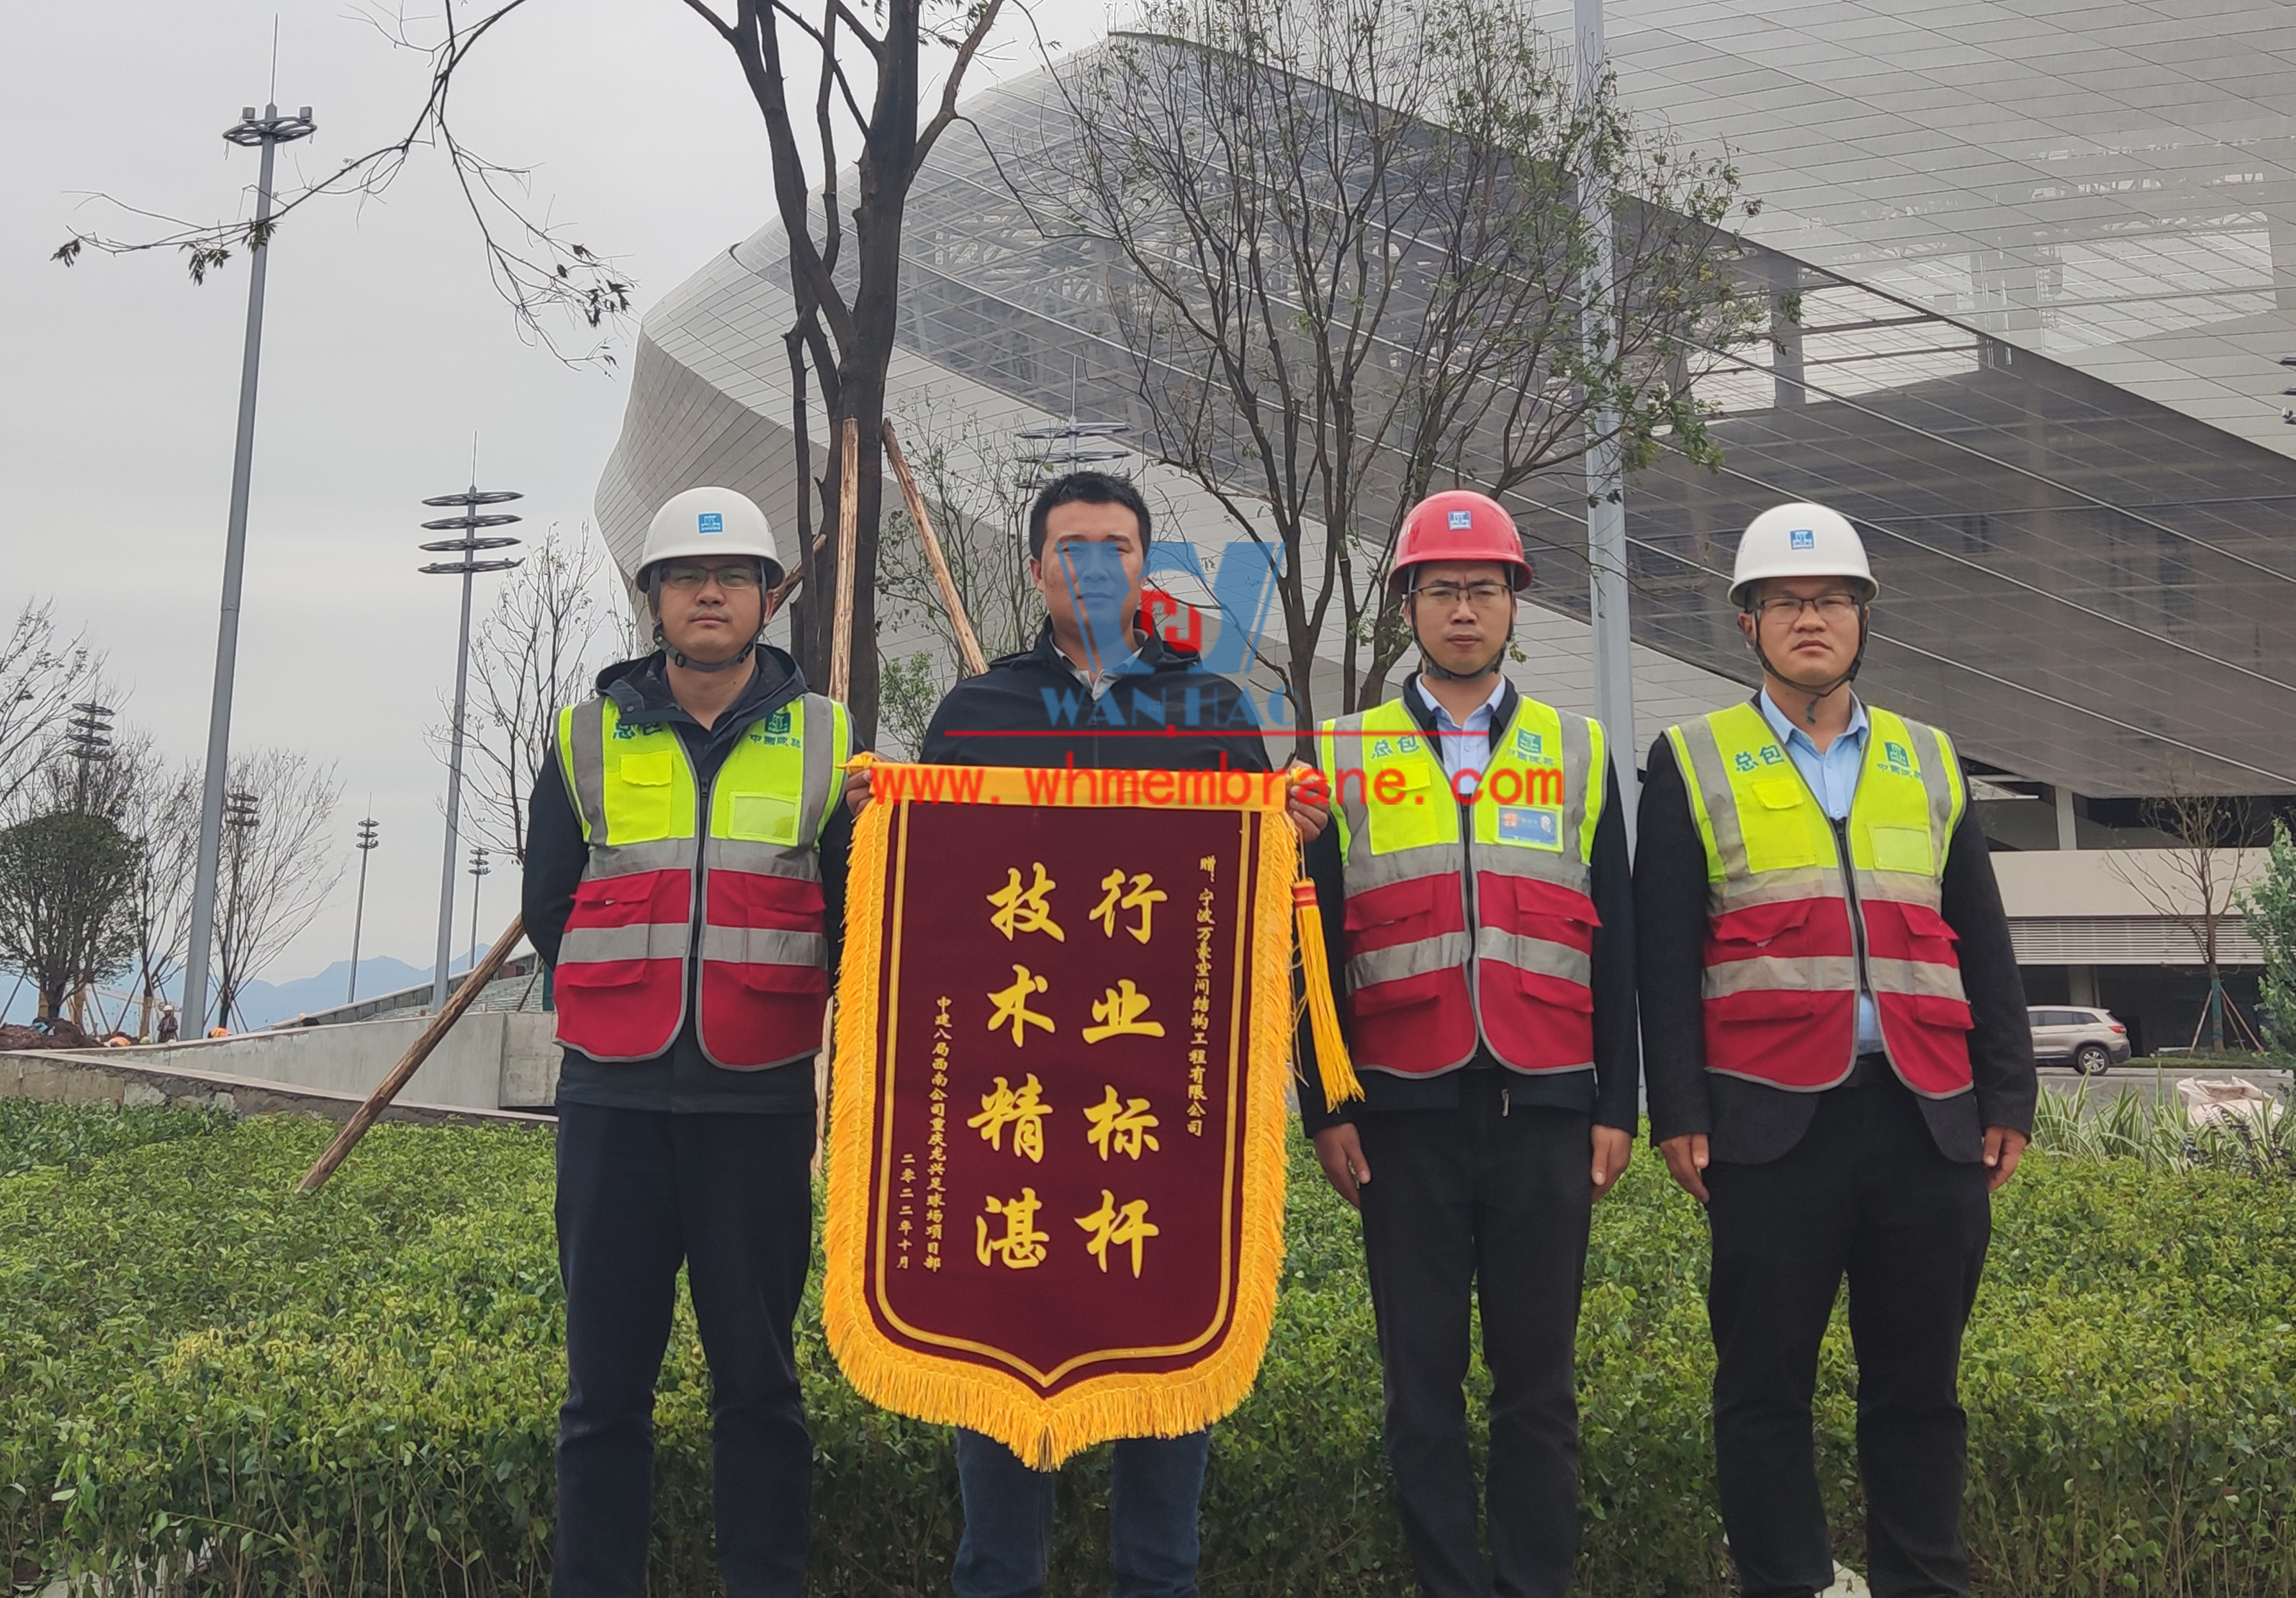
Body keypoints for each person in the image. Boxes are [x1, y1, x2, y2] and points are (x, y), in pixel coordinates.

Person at [855, 468, 1321, 1598]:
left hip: (1166, 1126)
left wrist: (1289, 832)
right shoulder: (976, 715)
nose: (1095, 565)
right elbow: (935, 918)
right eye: (1073, 546)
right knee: (998, 1483)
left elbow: (1255, 920)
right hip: (1005, 1125)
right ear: (1036, 568)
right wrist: (885, 827)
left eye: (1118, 544)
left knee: (1163, 1495)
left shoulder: (1211, 715)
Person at [1634, 503, 2037, 1598]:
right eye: (1784, 603)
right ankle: (1788, 1581)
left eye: (1830, 602)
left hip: (1927, 1120)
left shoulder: (1930, 759)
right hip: (1767, 1128)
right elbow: (1663, 957)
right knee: (1761, 1388)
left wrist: (2008, 1094)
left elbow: (1983, 945)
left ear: (1863, 619)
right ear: (1746, 624)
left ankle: (1923, 1581)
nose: (1809, 620)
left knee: (1920, 1389)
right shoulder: (1688, 759)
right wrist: (1678, 1111)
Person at [1294, 490, 1637, 1598]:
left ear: (1511, 606)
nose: (1460, 610)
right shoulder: (1341, 756)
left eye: (1481, 589)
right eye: (1439, 590)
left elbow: (1618, 945)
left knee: (1538, 1386)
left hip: (1544, 1111)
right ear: (1406, 605)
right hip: (1403, 1119)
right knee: (1420, 1387)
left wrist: (1613, 1105)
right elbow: (1313, 951)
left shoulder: (1575, 752)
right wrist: (1325, 1109)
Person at [523, 486, 856, 1598]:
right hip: (612, 1104)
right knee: (602, 1393)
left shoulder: (829, 743)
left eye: (731, 580)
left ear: (769, 598)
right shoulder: (583, 736)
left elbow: (858, 920)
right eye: (683, 579)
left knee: (759, 1389)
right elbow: (551, 907)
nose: (707, 595)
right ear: (652, 599)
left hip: (758, 1108)